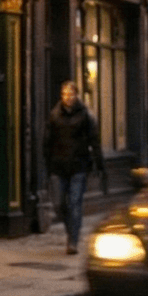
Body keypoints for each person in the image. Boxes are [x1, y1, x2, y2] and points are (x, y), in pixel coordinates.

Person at [44, 80, 103, 255]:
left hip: (79, 166)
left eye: (71, 94)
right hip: (58, 166)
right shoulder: (54, 115)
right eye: (65, 94)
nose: (68, 98)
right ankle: (71, 231)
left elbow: (94, 140)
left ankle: (73, 241)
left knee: (75, 204)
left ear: (76, 95)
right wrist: (47, 164)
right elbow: (47, 141)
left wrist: (99, 165)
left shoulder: (85, 115)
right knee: (59, 204)